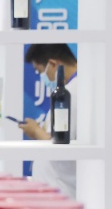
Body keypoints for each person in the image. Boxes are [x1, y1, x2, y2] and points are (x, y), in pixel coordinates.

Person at [20, 43, 78, 197]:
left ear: (53, 64)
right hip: (57, 189)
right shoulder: (72, 90)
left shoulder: (71, 94)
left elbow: (61, 145)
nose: (43, 77)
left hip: (62, 191)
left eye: (40, 71)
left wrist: (36, 131)